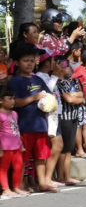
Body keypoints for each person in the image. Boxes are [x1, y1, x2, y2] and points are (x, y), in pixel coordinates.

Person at [7, 43, 55, 192]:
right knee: (22, 157)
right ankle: (19, 184)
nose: (29, 64)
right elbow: (12, 103)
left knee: (41, 156)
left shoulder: (38, 80)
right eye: (25, 61)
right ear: (16, 63)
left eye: (31, 60)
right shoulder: (14, 81)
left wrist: (48, 102)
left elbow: (48, 95)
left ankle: (42, 182)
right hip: (24, 126)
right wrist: (33, 97)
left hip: (40, 124)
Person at [35, 49, 66, 188]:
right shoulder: (40, 76)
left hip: (55, 114)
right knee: (57, 145)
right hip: (48, 116)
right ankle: (46, 178)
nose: (56, 63)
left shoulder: (47, 75)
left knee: (58, 145)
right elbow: (47, 93)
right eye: (54, 61)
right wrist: (54, 76)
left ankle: (48, 177)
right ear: (47, 62)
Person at [56, 57, 84, 185]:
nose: (70, 68)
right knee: (64, 148)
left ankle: (66, 175)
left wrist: (76, 97)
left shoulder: (71, 81)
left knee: (69, 149)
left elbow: (81, 95)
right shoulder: (58, 83)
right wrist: (76, 97)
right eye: (67, 66)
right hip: (64, 118)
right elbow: (69, 99)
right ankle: (60, 176)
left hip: (74, 116)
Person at [0, 86, 28, 198]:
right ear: (1, 100)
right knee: (3, 168)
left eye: (14, 98)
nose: (13, 101)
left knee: (18, 166)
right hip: (5, 147)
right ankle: (6, 190)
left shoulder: (14, 113)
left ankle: (16, 187)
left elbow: (16, 129)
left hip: (16, 146)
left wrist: (21, 143)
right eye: (10, 98)